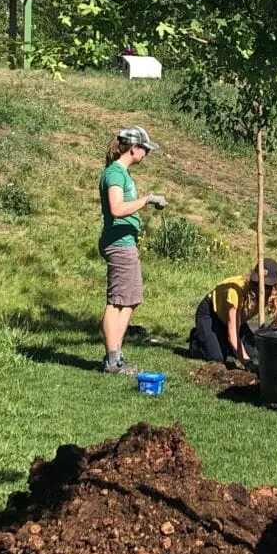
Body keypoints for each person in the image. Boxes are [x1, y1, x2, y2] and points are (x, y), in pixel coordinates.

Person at [97, 126, 164, 376]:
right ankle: (112, 360)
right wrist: (146, 201)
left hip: (126, 243)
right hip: (119, 244)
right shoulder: (115, 173)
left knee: (131, 299)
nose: (146, 153)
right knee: (116, 301)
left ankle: (117, 354)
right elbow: (116, 208)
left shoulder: (122, 173)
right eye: (145, 149)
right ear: (133, 148)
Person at [188, 259, 277, 368]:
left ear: (275, 284)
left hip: (238, 320)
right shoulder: (236, 292)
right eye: (256, 283)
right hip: (211, 314)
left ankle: (222, 339)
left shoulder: (276, 292)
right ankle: (197, 340)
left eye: (267, 286)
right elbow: (233, 335)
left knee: (255, 352)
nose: (261, 289)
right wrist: (248, 364)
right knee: (217, 357)